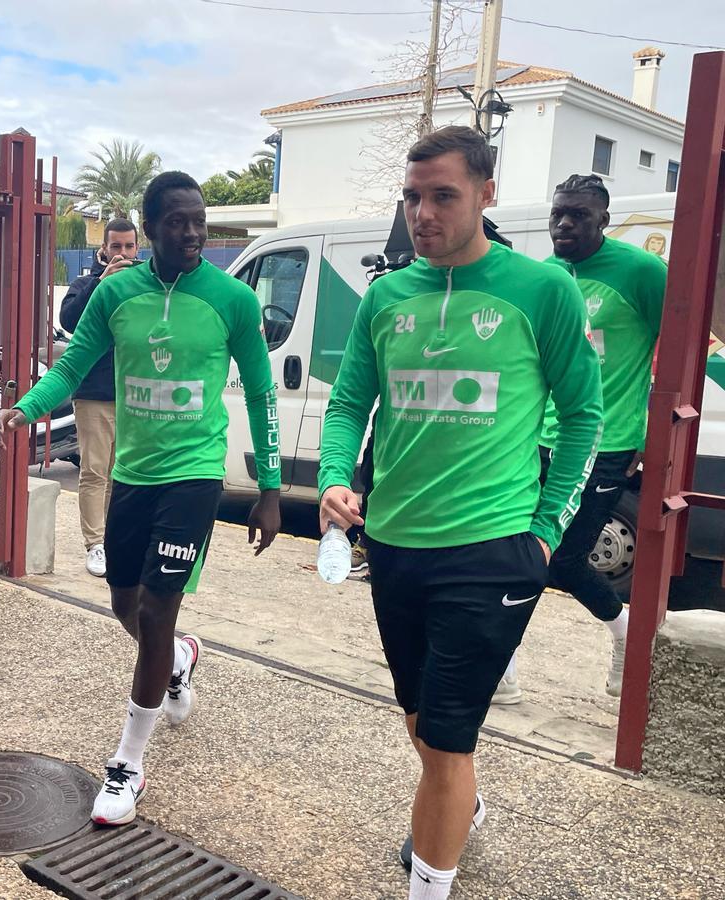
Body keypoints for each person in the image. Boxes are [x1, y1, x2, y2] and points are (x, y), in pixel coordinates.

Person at [317, 127, 602, 900]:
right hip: (394, 546)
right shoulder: (386, 297)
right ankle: (457, 802)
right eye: (413, 197)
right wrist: (336, 478)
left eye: (443, 195)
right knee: (420, 722)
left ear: (486, 193)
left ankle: (434, 863)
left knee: (445, 741)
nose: (423, 213)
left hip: (491, 552)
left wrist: (544, 533)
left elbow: (584, 416)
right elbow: (348, 404)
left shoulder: (543, 290)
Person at [0, 171, 281, 826]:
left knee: (154, 610)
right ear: (149, 228)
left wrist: (268, 487)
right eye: (177, 221)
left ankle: (127, 765)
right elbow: (71, 366)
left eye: (199, 220)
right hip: (134, 472)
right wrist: (26, 409)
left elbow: (262, 393)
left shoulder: (233, 300)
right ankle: (178, 658)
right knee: (125, 603)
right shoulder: (117, 292)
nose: (192, 232)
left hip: (194, 474)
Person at [496, 174, 667, 703]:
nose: (564, 224)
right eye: (558, 214)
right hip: (541, 439)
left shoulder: (642, 272)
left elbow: (680, 347)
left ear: (604, 221)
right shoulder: (548, 276)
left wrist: (652, 430)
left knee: (565, 561)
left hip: (607, 444)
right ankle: (501, 669)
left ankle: (625, 635)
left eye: (579, 216)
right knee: (516, 549)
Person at [59, 218, 139, 577]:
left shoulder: (143, 284)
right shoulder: (85, 283)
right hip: (94, 394)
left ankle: (112, 539)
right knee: (94, 472)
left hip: (133, 396)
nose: (122, 253)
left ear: (138, 247)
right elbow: (69, 320)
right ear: (104, 248)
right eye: (116, 246)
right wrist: (101, 283)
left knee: (119, 474)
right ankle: (94, 544)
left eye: (129, 246)